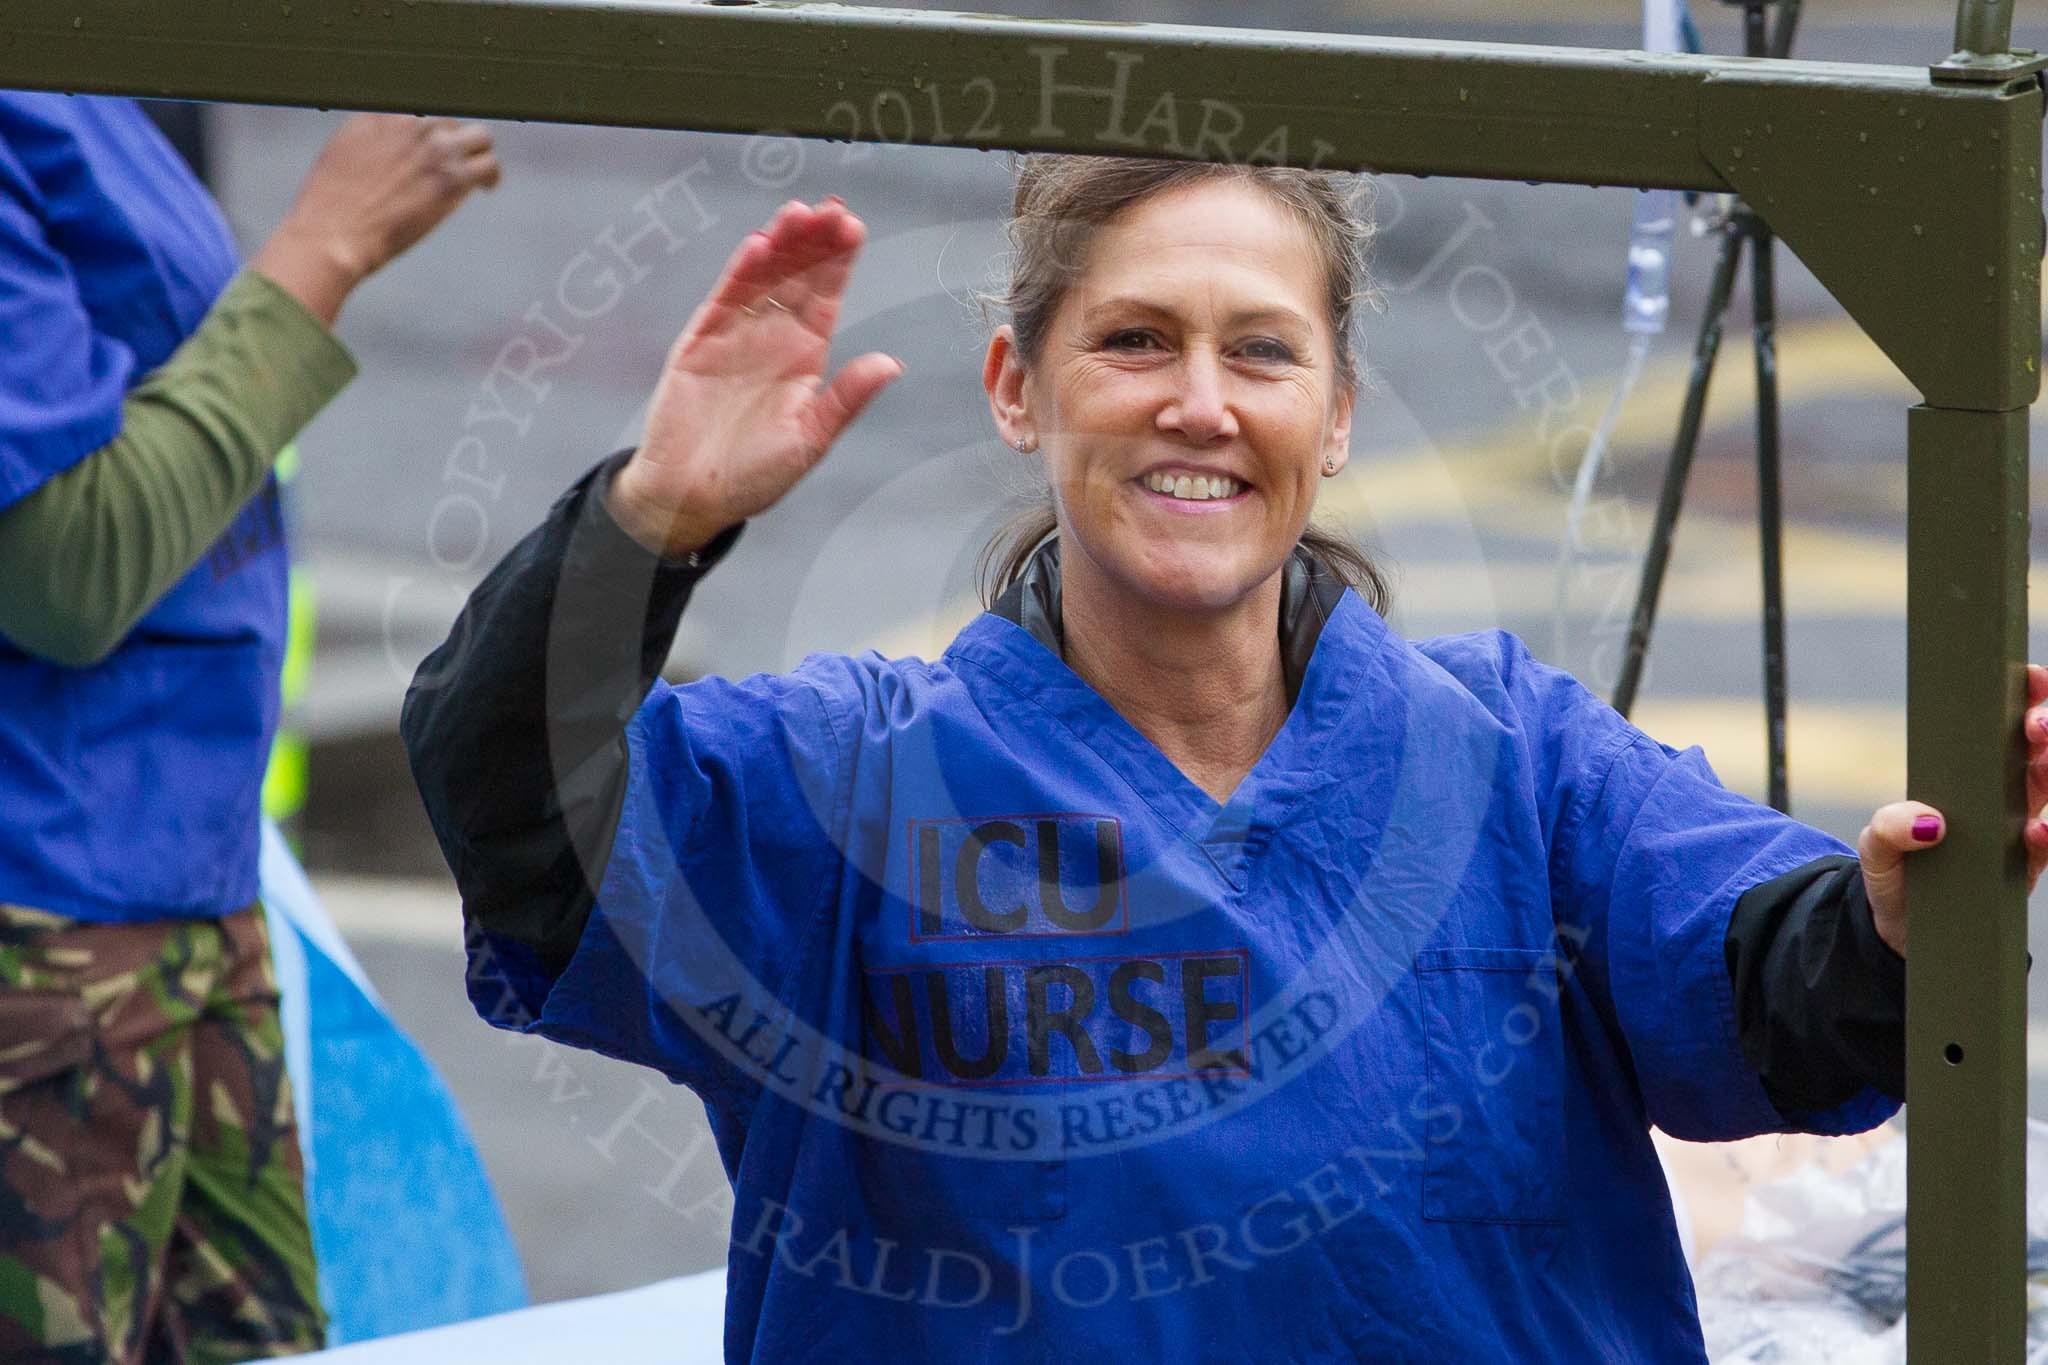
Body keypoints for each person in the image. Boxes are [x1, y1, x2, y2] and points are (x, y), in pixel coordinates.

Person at [401, 158, 2048, 1361]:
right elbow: (515, 817)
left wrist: (1895, 919)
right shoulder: (841, 788)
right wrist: (647, 525)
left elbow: (1776, 987)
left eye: (1258, 350)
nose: (1200, 401)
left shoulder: (1512, 761)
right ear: (1013, 387)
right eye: (1132, 341)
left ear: (1332, 417)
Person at [0, 94, 498, 1362]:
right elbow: (68, 562)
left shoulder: (86, 71)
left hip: (181, 888)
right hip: (49, 926)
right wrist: (324, 244)